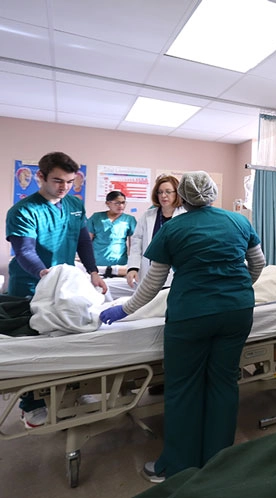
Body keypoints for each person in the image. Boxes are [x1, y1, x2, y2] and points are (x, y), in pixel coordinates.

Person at [99, 171, 265, 482]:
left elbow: (152, 284)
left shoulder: (173, 228)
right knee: (224, 383)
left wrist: (124, 309)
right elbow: (258, 265)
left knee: (183, 388)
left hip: (192, 316)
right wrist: (237, 288)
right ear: (212, 194)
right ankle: (219, 462)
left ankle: (177, 466)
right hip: (238, 312)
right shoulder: (240, 221)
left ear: (182, 197)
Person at [5, 151, 108, 428]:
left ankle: (68, 393)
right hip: (29, 286)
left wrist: (94, 273)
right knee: (34, 347)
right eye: (57, 181)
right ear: (40, 177)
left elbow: (82, 242)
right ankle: (30, 405)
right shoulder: (23, 210)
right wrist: (45, 274)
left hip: (65, 286)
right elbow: (24, 251)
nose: (64, 187)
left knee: (66, 341)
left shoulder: (74, 205)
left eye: (70, 182)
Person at [126, 175, 185, 289]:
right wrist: (133, 267)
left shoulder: (185, 216)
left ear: (176, 193)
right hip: (149, 274)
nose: (163, 195)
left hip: (175, 276)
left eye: (168, 192)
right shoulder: (148, 215)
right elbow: (136, 242)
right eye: (160, 192)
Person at [87, 191, 137, 276]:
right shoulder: (96, 217)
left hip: (120, 264)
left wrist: (133, 264)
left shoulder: (129, 220)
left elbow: (134, 245)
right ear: (108, 203)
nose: (121, 206)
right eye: (117, 203)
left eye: (123, 203)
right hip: (97, 262)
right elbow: (87, 241)